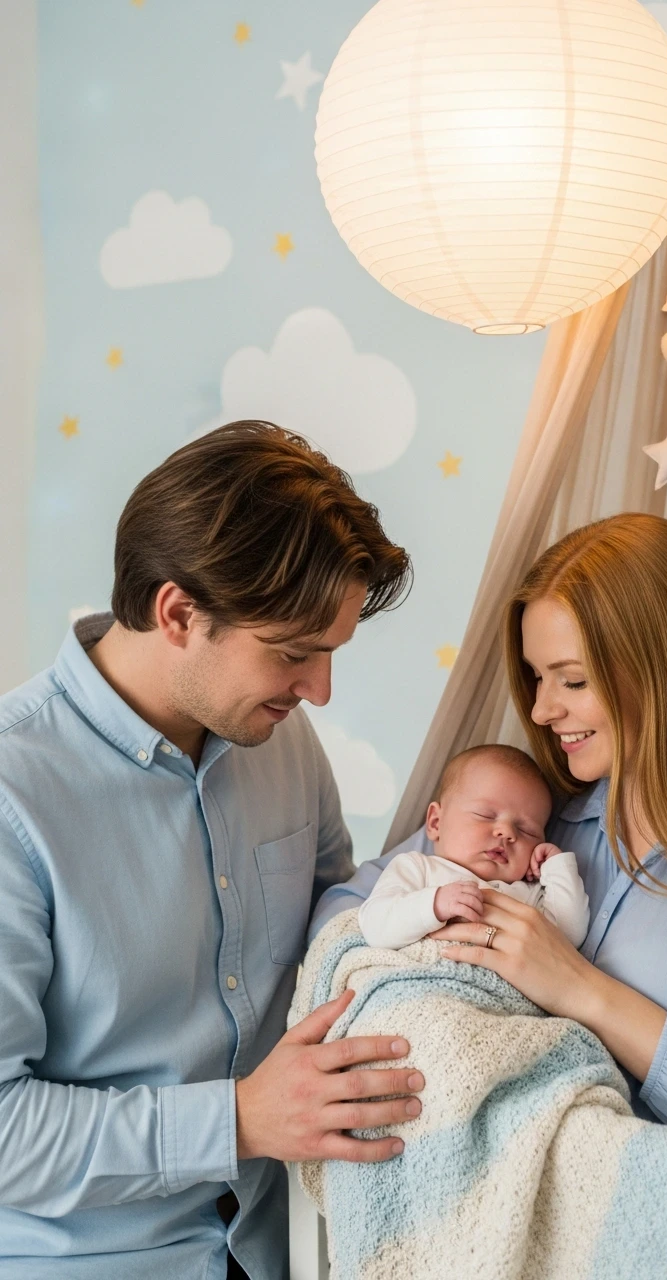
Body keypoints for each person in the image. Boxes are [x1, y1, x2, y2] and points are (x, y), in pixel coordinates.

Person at [313, 513, 667, 1165]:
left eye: (574, 680)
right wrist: (422, 942)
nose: (540, 710)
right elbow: (345, 913)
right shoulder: (530, 817)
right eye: (536, 676)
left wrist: (582, 990)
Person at [0, 421, 428, 1280]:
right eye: (294, 654)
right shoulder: (16, 796)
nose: (319, 690)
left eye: (330, 653)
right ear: (177, 613)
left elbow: (333, 931)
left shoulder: (282, 742)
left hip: (288, 1244)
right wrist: (234, 1121)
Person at [357, 744, 589, 950]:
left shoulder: (527, 894)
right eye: (485, 815)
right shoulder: (418, 868)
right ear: (436, 822)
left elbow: (567, 937)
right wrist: (434, 905)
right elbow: (375, 925)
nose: (507, 833)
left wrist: (557, 867)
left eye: (527, 830)